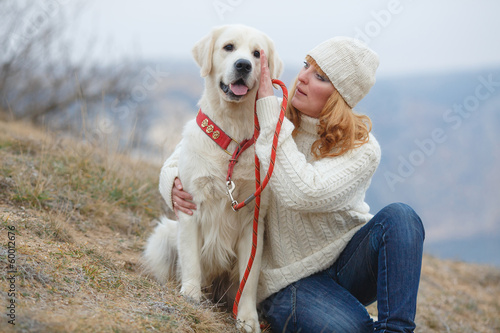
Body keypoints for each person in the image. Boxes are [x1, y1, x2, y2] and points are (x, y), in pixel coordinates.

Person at [164, 37, 425, 332]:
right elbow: (187, 152)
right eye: (306, 65)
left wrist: (269, 118)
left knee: (401, 217)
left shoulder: (362, 148)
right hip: (286, 282)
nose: (302, 77)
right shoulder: (266, 111)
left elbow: (303, 192)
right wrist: (171, 182)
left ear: (339, 96)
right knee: (354, 329)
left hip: (348, 263)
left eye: (320, 76)